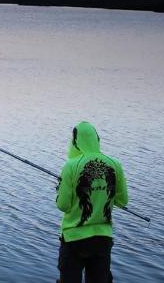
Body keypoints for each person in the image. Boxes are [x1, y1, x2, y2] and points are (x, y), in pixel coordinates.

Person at [56, 121, 128, 283]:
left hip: (74, 239)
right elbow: (122, 201)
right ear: (97, 139)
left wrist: (60, 188)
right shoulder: (114, 164)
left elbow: (63, 205)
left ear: (75, 141)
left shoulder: (71, 166)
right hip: (102, 239)